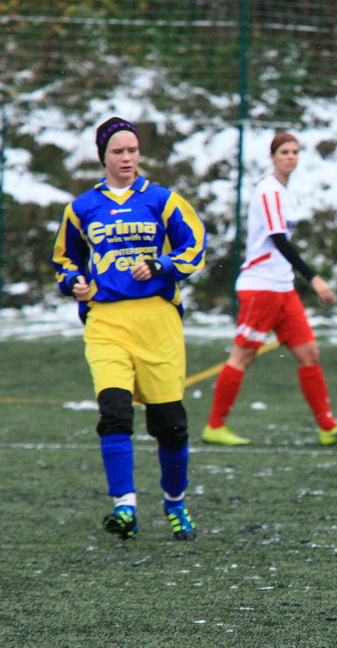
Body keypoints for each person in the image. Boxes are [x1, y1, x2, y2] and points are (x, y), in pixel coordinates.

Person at [51, 116, 206, 541]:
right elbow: (65, 258)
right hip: (106, 322)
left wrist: (162, 264)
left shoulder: (162, 200)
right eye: (117, 151)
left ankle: (175, 502)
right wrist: (73, 281)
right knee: (114, 413)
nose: (126, 158)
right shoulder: (82, 208)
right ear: (102, 156)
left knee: (170, 425)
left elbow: (195, 244)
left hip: (157, 322)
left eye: (132, 150)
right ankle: (125, 507)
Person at [202, 133, 337, 447]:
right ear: (272, 157)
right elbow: (278, 240)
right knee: (243, 355)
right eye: (284, 152)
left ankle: (328, 427)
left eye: (295, 152)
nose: (291, 157)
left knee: (308, 353)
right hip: (261, 287)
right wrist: (313, 278)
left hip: (283, 288)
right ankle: (215, 426)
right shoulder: (269, 190)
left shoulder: (287, 193)